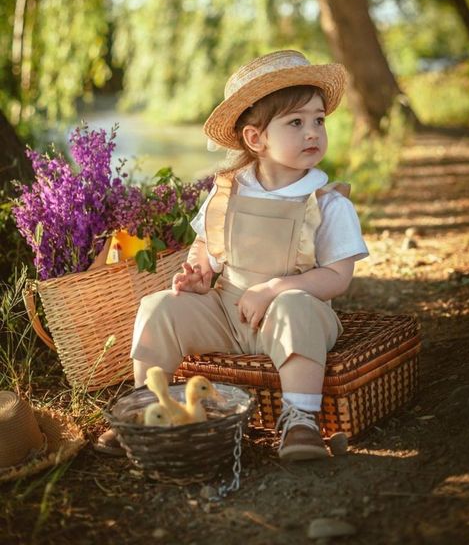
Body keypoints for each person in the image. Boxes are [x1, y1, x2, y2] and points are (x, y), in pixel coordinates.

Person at [96, 50, 368, 459]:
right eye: (296, 122)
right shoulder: (228, 191)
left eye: (318, 120)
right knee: (158, 308)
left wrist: (277, 287)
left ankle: (300, 422)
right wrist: (199, 274)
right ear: (256, 139)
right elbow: (207, 245)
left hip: (292, 313)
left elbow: (337, 277)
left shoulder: (326, 202)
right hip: (227, 310)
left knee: (296, 307)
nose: (312, 132)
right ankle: (147, 410)